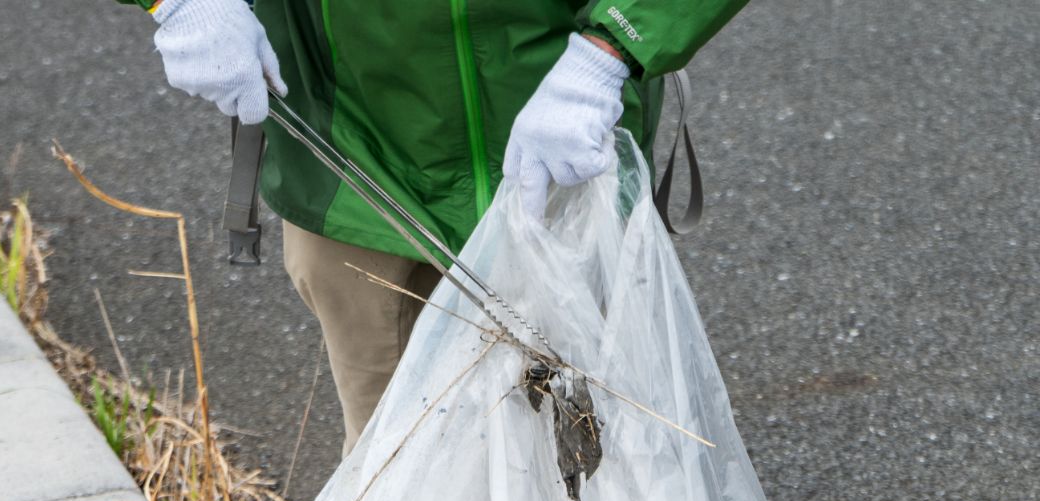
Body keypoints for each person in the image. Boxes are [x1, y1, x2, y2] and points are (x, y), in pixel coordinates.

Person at [117, 0, 751, 455]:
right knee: (395, 472)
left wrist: (613, 48)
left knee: (592, 460)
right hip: (354, 151)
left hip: (562, 145)